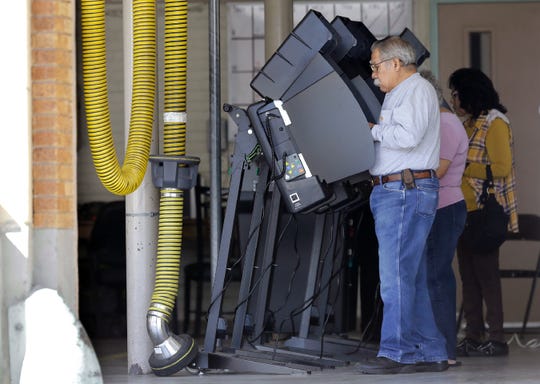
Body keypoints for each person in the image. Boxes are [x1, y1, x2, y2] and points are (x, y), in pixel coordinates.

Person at [356, 37, 448, 374]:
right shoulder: (401, 92)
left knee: (394, 275)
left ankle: (397, 352)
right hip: (402, 190)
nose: (373, 73)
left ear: (396, 63)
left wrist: (373, 131)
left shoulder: (415, 90)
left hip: (404, 191)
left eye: (376, 66)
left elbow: (407, 137)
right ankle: (430, 350)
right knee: (411, 276)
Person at [448, 68, 518, 357]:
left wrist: (465, 166)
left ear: (470, 93)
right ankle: (474, 335)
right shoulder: (468, 123)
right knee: (468, 276)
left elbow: (501, 167)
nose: (453, 99)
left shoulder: (495, 123)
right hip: (463, 209)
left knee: (487, 276)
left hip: (485, 211)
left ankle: (497, 338)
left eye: (456, 93)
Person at [420, 70, 469, 367]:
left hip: (446, 206)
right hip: (437, 206)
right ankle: (438, 346)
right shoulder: (439, 123)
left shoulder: (447, 124)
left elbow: (438, 170)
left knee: (437, 277)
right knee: (432, 276)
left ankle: (446, 350)